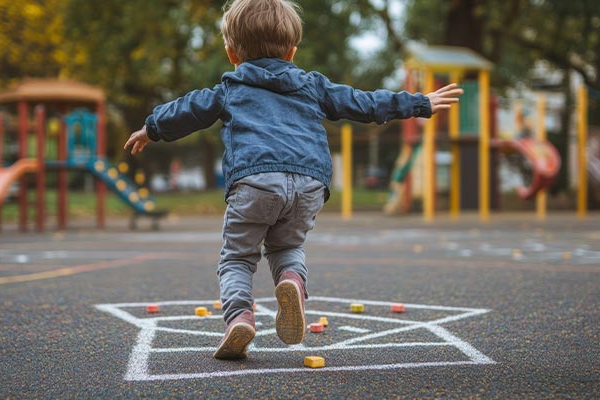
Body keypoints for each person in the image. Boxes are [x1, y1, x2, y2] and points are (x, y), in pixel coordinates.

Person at [124, 0, 463, 360]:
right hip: (308, 183)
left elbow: (188, 110)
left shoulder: (230, 88)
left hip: (254, 182)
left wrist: (152, 128)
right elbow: (361, 102)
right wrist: (418, 103)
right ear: (291, 51)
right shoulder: (312, 85)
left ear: (231, 53)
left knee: (237, 258)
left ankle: (239, 316)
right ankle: (291, 282)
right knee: (287, 248)